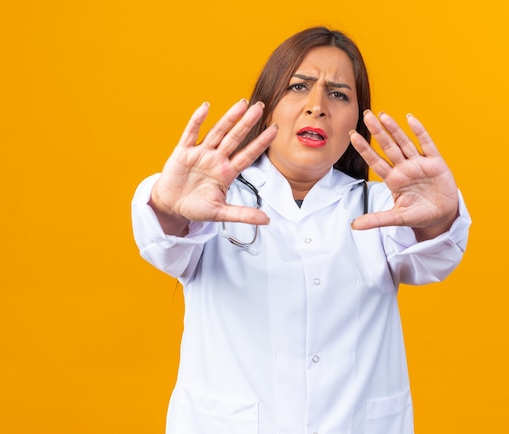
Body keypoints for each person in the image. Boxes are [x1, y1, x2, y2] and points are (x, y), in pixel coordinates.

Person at [132, 26, 471, 434]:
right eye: (298, 86)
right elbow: (163, 243)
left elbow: (436, 255)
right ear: (268, 103)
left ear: (355, 121)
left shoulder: (382, 209)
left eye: (339, 94)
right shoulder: (212, 201)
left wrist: (438, 216)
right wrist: (168, 206)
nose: (317, 106)